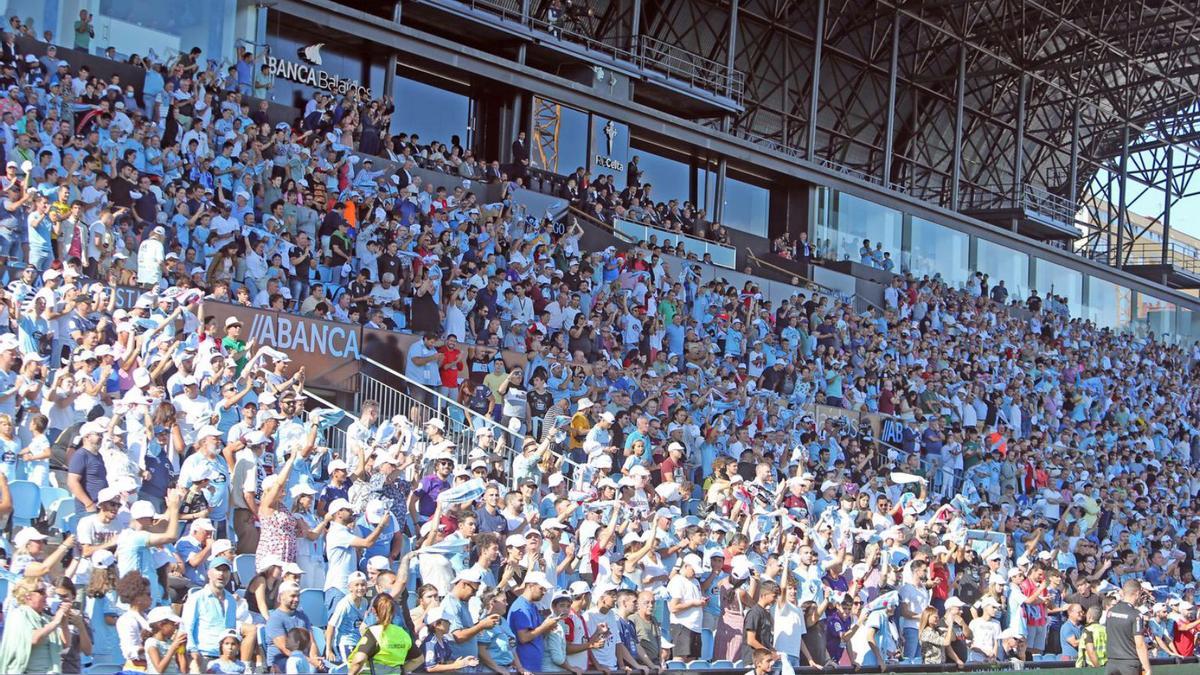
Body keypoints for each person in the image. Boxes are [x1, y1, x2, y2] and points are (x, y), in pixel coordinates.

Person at [0, 577, 70, 673]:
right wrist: (55, 622)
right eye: (41, 591)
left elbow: (65, 644)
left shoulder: (45, 618)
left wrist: (64, 623)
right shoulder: (19, 614)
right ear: (28, 596)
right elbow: (33, 638)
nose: (46, 595)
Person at [347, 593, 416, 675]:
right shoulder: (403, 634)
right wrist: (399, 671)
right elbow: (418, 660)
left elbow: (359, 660)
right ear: (393, 611)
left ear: (373, 610)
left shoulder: (374, 632)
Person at [1103, 579, 1153, 675]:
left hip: (1112, 662)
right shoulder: (1136, 614)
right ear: (1137, 593)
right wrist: (1147, 669)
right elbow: (1140, 644)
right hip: (1129, 664)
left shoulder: (1111, 612)